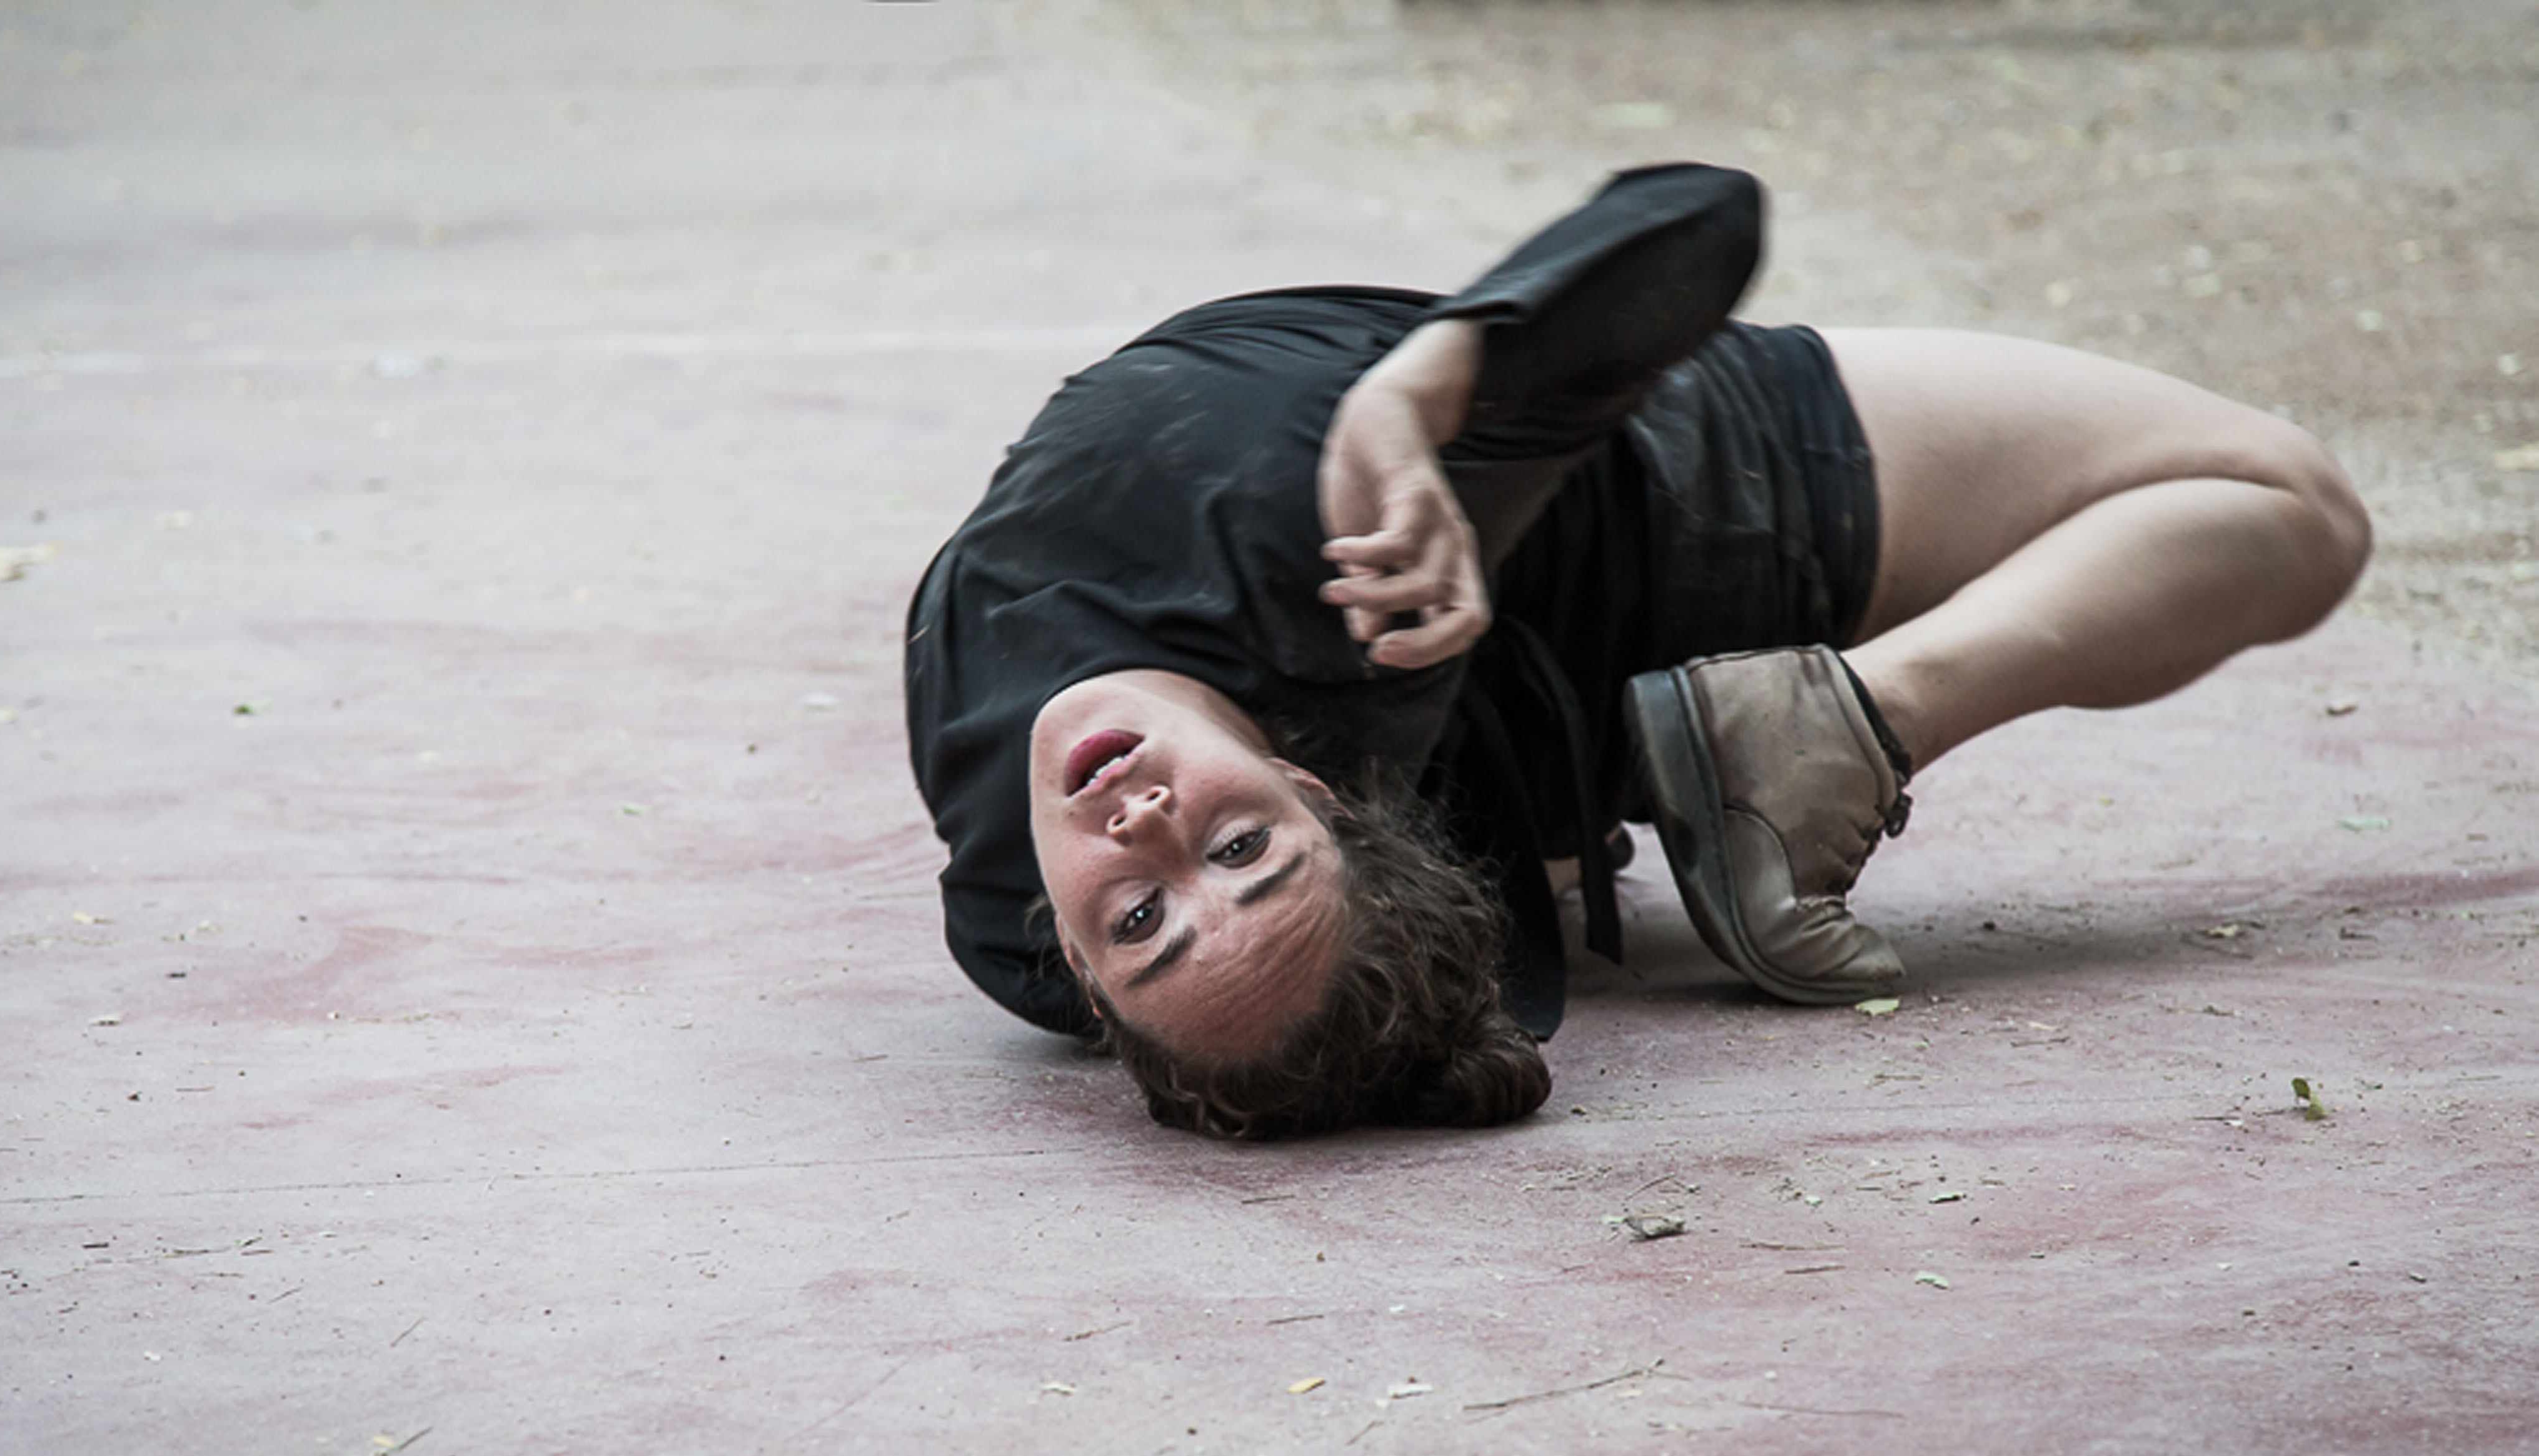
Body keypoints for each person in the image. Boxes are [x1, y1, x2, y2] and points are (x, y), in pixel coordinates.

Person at [903, 164, 2370, 1138]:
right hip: (1699, 498)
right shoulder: (1346, 577)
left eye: (1143, 914)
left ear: (1071, 980)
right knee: (2286, 505)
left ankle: (1565, 826)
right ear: (1319, 788)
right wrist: (1427, 395)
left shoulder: (1008, 932)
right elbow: (1697, 218)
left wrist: (1423, 385)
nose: (1147, 829)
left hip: (1540, 674)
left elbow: (1700, 210)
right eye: (1238, 853)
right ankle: (1840, 729)